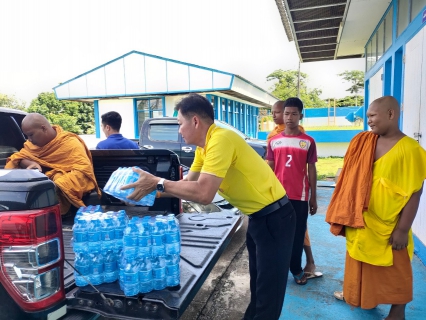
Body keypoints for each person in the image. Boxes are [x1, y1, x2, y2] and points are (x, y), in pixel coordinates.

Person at [121, 93, 296, 320]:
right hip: (258, 218)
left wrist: (158, 182)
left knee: (268, 296)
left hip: (275, 218)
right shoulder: (205, 147)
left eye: (180, 124)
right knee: (259, 287)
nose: (179, 130)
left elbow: (203, 193)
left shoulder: (221, 140)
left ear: (195, 121)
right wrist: (147, 192)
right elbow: (186, 185)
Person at [325, 96, 426, 320]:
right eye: (368, 116)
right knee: (359, 263)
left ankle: (398, 312)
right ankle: (363, 298)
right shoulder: (364, 141)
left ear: (391, 114)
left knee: (396, 270)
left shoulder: (410, 149)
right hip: (360, 219)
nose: (368, 121)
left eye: (372, 116)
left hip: (389, 225)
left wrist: (402, 229)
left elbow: (415, 192)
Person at [267, 100, 322, 279]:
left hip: (300, 196)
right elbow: (270, 169)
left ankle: (297, 271)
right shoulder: (274, 141)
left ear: (301, 116)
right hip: (278, 197)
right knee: (277, 234)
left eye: (294, 114)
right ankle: (278, 270)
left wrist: (313, 197)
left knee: (298, 236)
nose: (289, 118)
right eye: (286, 114)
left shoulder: (308, 142)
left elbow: (311, 169)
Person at [5, 113, 101, 214]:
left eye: (31, 135)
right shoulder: (31, 145)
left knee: (59, 176)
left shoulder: (70, 143)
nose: (29, 140)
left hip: (58, 196)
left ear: (44, 128)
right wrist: (30, 163)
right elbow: (18, 158)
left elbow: (83, 172)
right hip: (32, 201)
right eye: (27, 136)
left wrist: (52, 185)